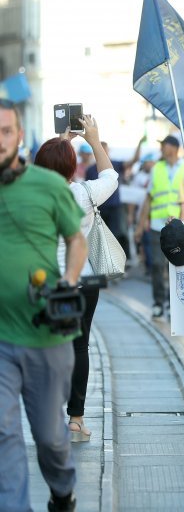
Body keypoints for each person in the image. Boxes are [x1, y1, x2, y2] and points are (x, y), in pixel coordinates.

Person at [0, 100, 88, 512]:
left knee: (52, 437)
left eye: (5, 131)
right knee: (3, 433)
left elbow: (76, 240)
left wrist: (69, 282)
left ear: (19, 136)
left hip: (46, 331)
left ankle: (62, 491)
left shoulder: (50, 186)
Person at [35, 117, 119, 444]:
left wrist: (61, 141)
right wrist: (93, 140)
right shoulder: (84, 193)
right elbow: (111, 176)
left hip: (44, 281)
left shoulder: (30, 195)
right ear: (73, 167)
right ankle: (76, 419)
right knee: (78, 346)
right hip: (82, 281)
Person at [134, 135, 184, 320]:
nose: (162, 149)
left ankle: (173, 306)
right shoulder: (156, 168)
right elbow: (148, 199)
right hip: (157, 226)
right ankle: (158, 303)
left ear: (172, 147)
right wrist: (140, 226)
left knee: (176, 267)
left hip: (178, 228)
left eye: (163, 145)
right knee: (157, 265)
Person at [85, 136, 145, 262]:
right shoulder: (90, 170)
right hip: (98, 209)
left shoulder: (115, 165)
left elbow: (134, 160)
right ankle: (104, 263)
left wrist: (139, 143)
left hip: (115, 208)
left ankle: (120, 261)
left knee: (118, 234)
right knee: (100, 237)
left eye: (104, 149)